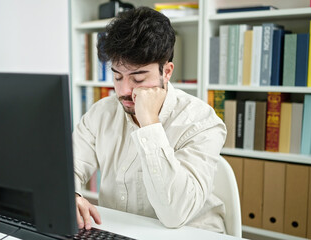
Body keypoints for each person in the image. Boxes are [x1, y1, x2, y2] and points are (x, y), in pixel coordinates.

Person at [72, 6, 227, 234]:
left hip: (190, 233)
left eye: (138, 78)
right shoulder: (102, 113)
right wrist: (72, 195)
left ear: (167, 72)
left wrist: (150, 124)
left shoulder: (202, 122)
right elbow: (68, 167)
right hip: (120, 231)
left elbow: (174, 214)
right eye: (117, 76)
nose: (124, 90)